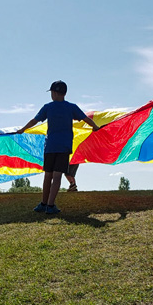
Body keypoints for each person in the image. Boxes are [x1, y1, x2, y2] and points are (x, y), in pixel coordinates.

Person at [16, 80, 100, 214]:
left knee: (48, 176)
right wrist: (95, 127)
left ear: (54, 93)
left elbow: (34, 120)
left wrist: (22, 129)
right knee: (57, 176)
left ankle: (43, 203)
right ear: (64, 93)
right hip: (64, 147)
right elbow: (86, 119)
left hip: (50, 147)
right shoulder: (71, 107)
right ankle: (50, 206)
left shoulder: (48, 107)